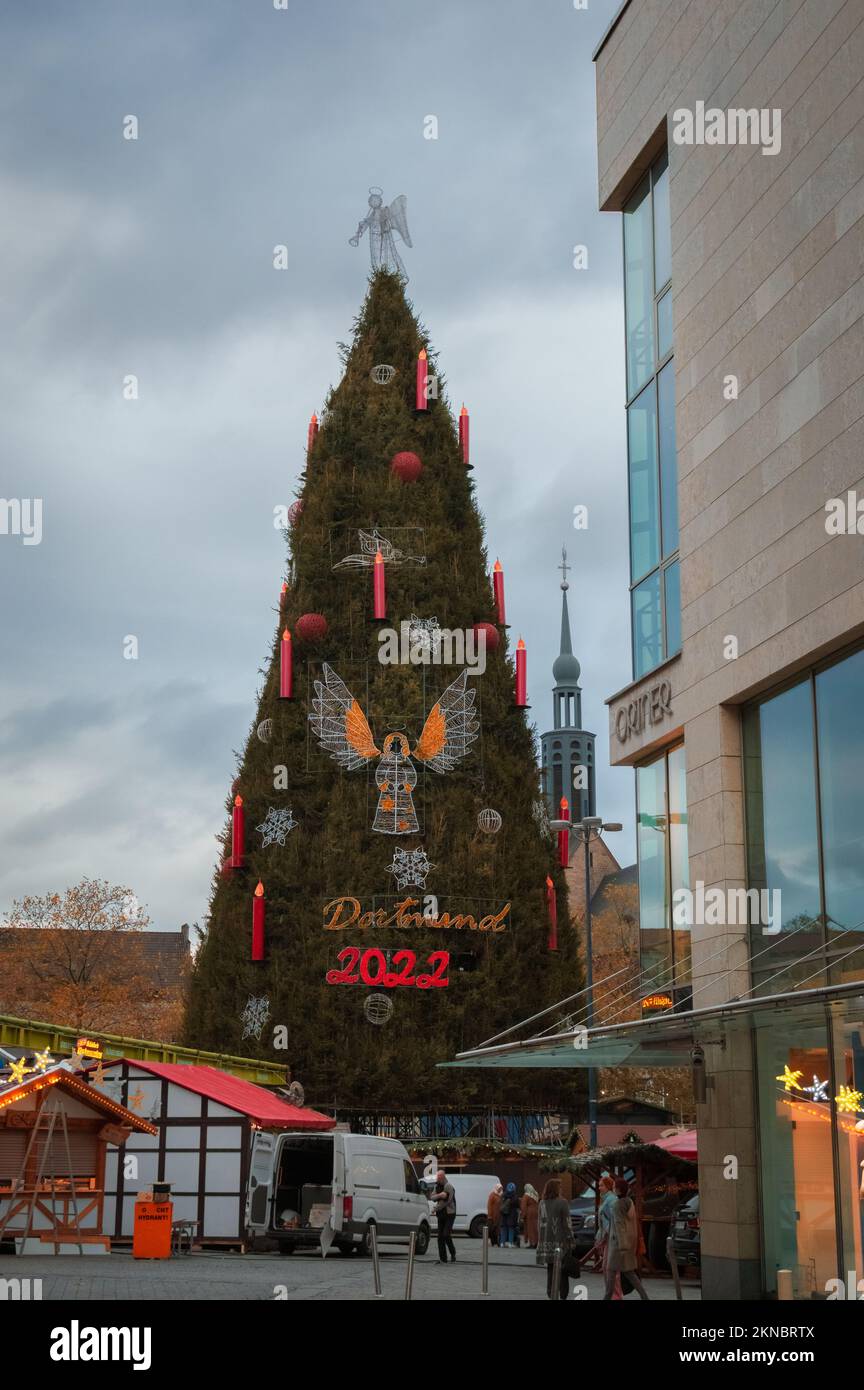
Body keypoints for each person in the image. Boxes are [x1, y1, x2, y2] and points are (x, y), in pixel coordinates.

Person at [603, 1178, 649, 1300]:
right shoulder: (630, 1202)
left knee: (611, 1272)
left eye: (614, 1187)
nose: (613, 1189)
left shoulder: (617, 1205)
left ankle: (607, 1298)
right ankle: (645, 1297)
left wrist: (622, 1245)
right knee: (629, 1272)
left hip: (618, 1245)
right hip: (629, 1243)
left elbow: (619, 1226)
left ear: (618, 1190)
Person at [536, 1177, 574, 1300]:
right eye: (560, 1187)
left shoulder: (542, 1203)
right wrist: (570, 1238)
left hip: (546, 1242)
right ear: (556, 1189)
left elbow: (539, 1223)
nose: (561, 1189)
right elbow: (567, 1223)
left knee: (551, 1269)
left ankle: (550, 1293)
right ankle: (563, 1295)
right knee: (562, 1271)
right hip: (560, 1241)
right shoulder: (562, 1202)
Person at [429, 1170, 457, 1264]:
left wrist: (435, 1208)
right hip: (441, 1215)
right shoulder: (437, 1186)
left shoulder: (448, 1186)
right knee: (440, 1237)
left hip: (450, 1214)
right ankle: (443, 1259)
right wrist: (440, 1195)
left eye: (439, 1177)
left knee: (446, 1234)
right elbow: (432, 1197)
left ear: (443, 1177)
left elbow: (446, 1202)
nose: (437, 1179)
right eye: (437, 1177)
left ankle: (453, 1253)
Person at [499, 1182, 519, 1248]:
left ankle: (502, 1243)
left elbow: (500, 1204)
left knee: (503, 1229)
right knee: (511, 1229)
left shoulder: (503, 1195)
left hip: (503, 1215)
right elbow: (517, 1205)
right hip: (511, 1215)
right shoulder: (515, 1196)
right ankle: (510, 1243)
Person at [521, 1183, 540, 1248]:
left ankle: (532, 1243)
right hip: (536, 1212)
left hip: (529, 1213)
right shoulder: (535, 1194)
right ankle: (537, 1242)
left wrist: (523, 1215)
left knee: (530, 1228)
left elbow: (523, 1206)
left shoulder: (526, 1196)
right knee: (535, 1227)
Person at [487, 1183, 503, 1247]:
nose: (500, 1189)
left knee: (498, 1230)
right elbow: (489, 1206)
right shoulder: (492, 1195)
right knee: (493, 1229)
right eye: (499, 1188)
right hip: (493, 1215)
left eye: (501, 1188)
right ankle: (494, 1242)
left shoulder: (501, 1195)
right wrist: (490, 1215)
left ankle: (498, 1242)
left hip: (499, 1216)